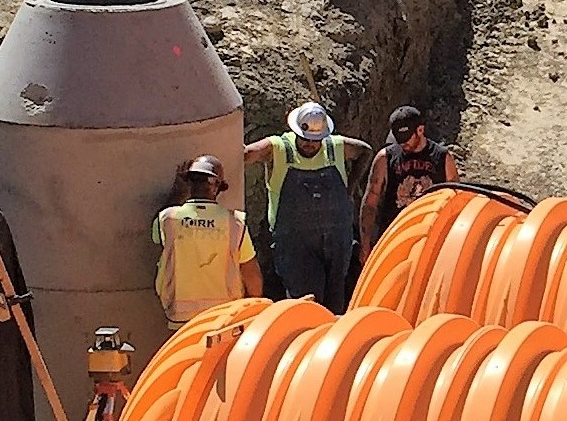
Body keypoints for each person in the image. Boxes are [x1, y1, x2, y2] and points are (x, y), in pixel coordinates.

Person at [245, 100, 369, 312]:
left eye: (315, 140)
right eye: (305, 139)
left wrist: (350, 188)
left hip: (337, 243)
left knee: (336, 304)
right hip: (296, 247)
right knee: (305, 306)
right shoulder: (279, 149)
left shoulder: (334, 147)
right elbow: (247, 154)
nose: (310, 145)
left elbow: (364, 151)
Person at [153, 155, 262, 327]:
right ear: (217, 187)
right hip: (224, 319)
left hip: (181, 317)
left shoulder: (168, 218)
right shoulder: (235, 223)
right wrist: (256, 309)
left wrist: (177, 192)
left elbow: (161, 237)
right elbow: (251, 272)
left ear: (189, 183)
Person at [360, 104, 460, 251]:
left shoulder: (443, 158)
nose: (402, 143)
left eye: (407, 138)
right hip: (394, 236)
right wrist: (365, 243)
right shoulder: (385, 158)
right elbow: (370, 202)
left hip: (430, 237)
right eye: (399, 139)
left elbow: (456, 202)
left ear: (420, 130)